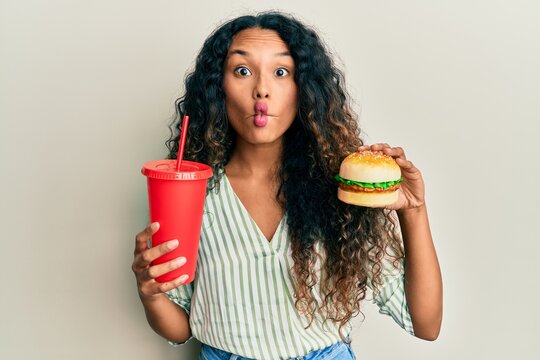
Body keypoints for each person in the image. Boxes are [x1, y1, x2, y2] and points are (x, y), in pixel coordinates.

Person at [132, 11, 442, 360]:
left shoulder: (342, 189)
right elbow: (181, 328)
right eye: (242, 71)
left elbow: (426, 324)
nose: (261, 89)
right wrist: (151, 293)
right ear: (218, 87)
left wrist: (414, 210)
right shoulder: (192, 192)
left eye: (281, 72)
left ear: (304, 89)